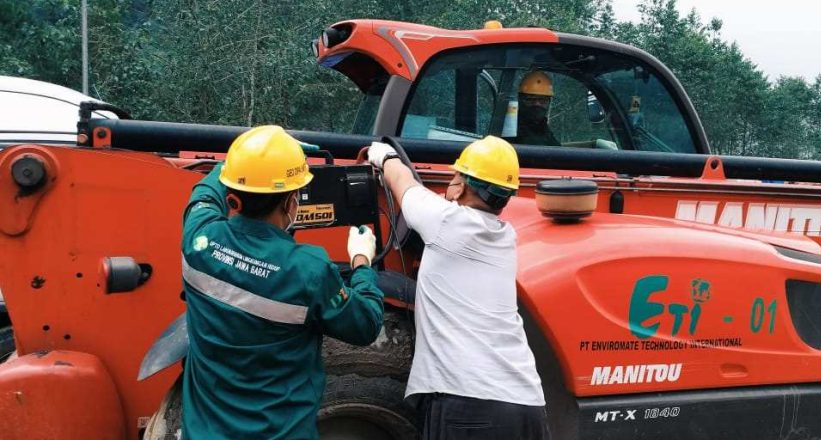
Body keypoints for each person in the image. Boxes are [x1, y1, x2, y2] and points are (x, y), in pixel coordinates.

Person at [179, 125, 384, 439]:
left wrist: (251, 156)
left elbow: (204, 193)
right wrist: (362, 261)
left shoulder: (199, 239)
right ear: (291, 203)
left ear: (233, 198)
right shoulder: (309, 270)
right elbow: (366, 324)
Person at [368, 136, 549, 439]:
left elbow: (401, 180)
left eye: (454, 177)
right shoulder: (506, 236)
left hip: (469, 405)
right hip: (527, 405)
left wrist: (383, 155)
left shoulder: (445, 221)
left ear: (461, 187)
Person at [512, 70, 560, 146]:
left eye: (542, 100)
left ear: (549, 102)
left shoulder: (542, 127)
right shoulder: (511, 129)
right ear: (520, 99)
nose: (537, 104)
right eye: (530, 99)